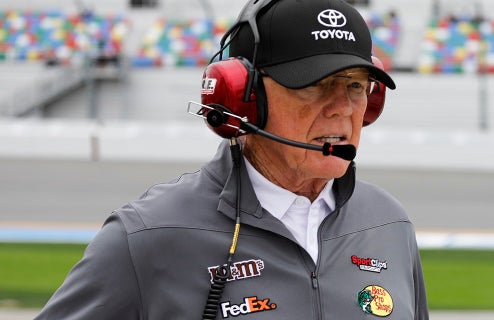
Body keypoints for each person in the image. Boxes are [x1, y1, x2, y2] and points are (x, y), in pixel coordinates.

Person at [35, 0, 429, 319]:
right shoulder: (146, 237)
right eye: (315, 85)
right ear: (243, 99)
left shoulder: (390, 223)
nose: (342, 108)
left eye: (356, 86)